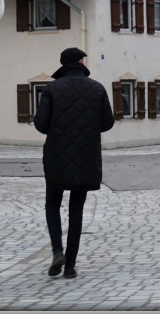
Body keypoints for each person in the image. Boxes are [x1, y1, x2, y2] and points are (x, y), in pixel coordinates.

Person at [34, 47, 115, 279]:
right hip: (86, 157)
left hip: (57, 156)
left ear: (64, 64)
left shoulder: (51, 89)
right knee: (76, 210)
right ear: (80, 62)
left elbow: (41, 125)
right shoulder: (97, 88)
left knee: (52, 205)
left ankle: (57, 251)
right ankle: (70, 266)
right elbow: (107, 123)